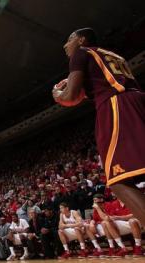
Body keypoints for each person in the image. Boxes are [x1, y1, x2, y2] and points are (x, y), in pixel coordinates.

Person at [52, 27, 145, 225]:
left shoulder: (81, 53)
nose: (65, 45)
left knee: (118, 180)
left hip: (117, 107)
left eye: (69, 39)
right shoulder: (110, 54)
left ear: (81, 40)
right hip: (137, 101)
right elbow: (100, 85)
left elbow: (70, 97)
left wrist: (58, 95)